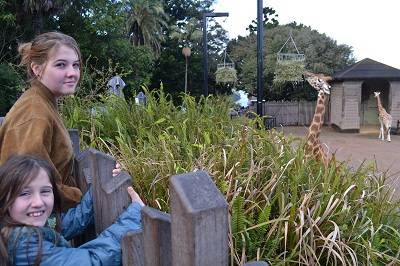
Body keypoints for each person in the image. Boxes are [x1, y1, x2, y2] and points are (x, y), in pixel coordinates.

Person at [0, 31, 121, 210]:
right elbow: (27, 184)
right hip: (33, 228)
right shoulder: (34, 113)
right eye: (61, 65)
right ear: (37, 68)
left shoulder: (43, 102)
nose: (72, 73)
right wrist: (85, 196)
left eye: (76, 65)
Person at [0, 154, 144, 266]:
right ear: (5, 198)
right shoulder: (24, 247)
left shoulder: (22, 227)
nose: (38, 202)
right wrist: (134, 216)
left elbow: (69, 222)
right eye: (24, 193)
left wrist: (99, 190)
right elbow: (92, 262)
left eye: (45, 191)